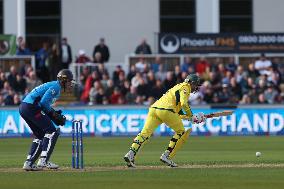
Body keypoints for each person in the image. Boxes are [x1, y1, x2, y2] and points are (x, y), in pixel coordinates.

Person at [123, 74, 206, 168]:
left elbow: (178, 114)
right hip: (166, 110)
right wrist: (192, 116)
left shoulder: (177, 87)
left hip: (154, 109)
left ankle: (131, 153)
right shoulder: (185, 87)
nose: (196, 88)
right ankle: (166, 156)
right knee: (181, 131)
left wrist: (191, 118)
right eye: (196, 85)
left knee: (144, 134)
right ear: (191, 83)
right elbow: (184, 104)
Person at [20, 69, 75, 171]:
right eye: (69, 81)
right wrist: (52, 114)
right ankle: (43, 160)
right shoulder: (56, 86)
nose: (70, 84)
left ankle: (29, 162)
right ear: (63, 80)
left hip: (24, 107)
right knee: (52, 131)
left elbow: (44, 104)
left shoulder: (54, 85)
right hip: (32, 107)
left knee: (40, 135)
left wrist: (53, 113)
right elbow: (43, 102)